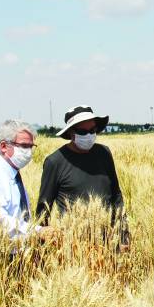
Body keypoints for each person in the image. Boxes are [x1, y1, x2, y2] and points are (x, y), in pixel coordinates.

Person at [36, 105, 129, 247]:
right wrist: (42, 248)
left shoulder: (104, 153)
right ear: (71, 133)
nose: (89, 135)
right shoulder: (55, 162)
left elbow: (116, 196)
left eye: (92, 130)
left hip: (109, 241)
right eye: (82, 131)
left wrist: (123, 235)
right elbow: (44, 208)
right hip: (74, 245)